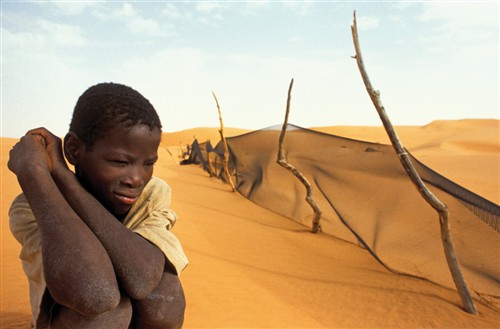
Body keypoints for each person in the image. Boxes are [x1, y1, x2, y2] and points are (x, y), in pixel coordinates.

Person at [8, 82, 189, 329]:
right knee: (109, 311)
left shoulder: (151, 193)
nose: (136, 179)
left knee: (164, 294)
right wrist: (34, 173)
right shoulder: (33, 204)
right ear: (73, 150)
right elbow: (95, 294)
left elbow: (143, 279)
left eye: (148, 164)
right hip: (74, 317)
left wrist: (62, 173)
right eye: (119, 161)